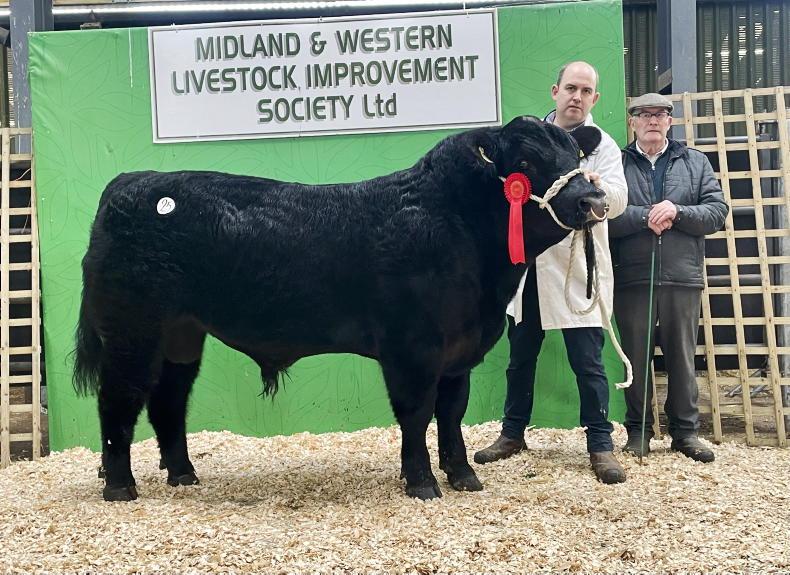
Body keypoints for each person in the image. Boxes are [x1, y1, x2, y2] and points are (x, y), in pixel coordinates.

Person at [474, 61, 628, 484]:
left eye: (586, 91)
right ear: (555, 91)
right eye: (571, 88)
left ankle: (600, 444)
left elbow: (619, 199)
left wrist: (596, 187)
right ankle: (512, 434)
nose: (577, 97)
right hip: (529, 266)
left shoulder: (602, 146)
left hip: (576, 266)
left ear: (595, 99)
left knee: (588, 361)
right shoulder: (530, 140)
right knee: (520, 357)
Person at [609, 92, 728, 462]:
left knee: (682, 357)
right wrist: (645, 216)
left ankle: (685, 433)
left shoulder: (695, 161)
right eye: (644, 115)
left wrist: (677, 211)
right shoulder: (617, 163)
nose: (652, 120)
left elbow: (717, 212)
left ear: (670, 121)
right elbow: (604, 215)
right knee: (635, 358)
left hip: (682, 276)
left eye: (660, 114)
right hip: (632, 277)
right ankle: (638, 432)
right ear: (633, 122)